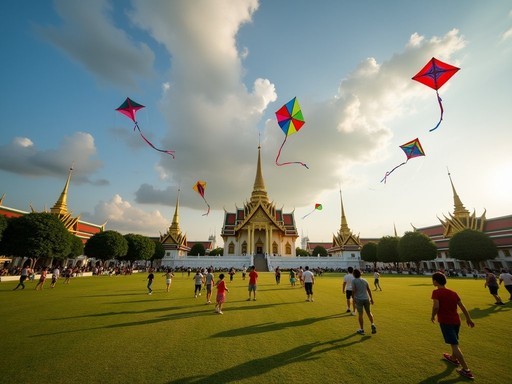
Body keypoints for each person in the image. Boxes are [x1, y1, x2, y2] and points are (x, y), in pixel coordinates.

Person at [431, 272, 475, 380]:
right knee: (454, 341)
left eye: (433, 280)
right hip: (456, 321)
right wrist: (468, 318)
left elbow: (436, 306)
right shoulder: (453, 292)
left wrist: (432, 316)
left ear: (436, 281)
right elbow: (462, 306)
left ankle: (466, 370)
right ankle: (453, 358)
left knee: (454, 344)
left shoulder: (436, 292)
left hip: (446, 321)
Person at [352, 269, 376, 335]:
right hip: (366, 298)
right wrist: (371, 298)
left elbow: (353, 291)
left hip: (359, 299)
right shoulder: (365, 280)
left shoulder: (354, 281)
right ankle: (372, 324)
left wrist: (353, 300)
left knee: (360, 314)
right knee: (369, 312)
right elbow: (368, 290)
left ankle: (362, 329)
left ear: (354, 274)